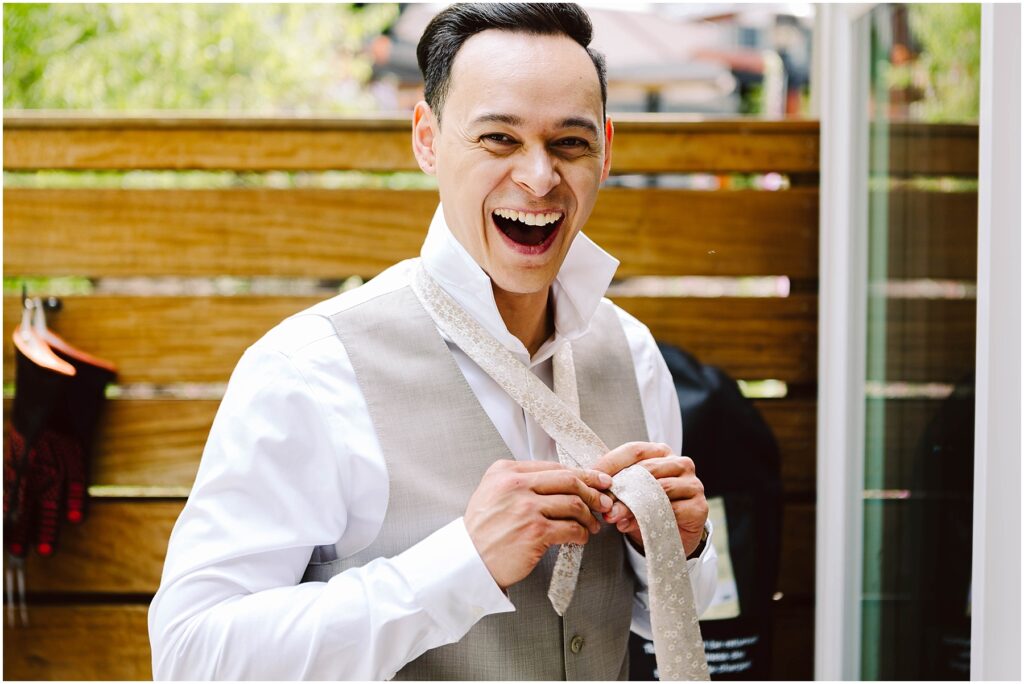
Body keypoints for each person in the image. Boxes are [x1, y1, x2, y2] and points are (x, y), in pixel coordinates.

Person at [149, 3, 717, 679]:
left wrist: (678, 550)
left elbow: (668, 615)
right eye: (500, 139)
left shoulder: (634, 354)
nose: (539, 178)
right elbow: (191, 656)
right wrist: (459, 565)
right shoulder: (310, 369)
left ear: (605, 150)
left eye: (569, 143)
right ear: (427, 138)